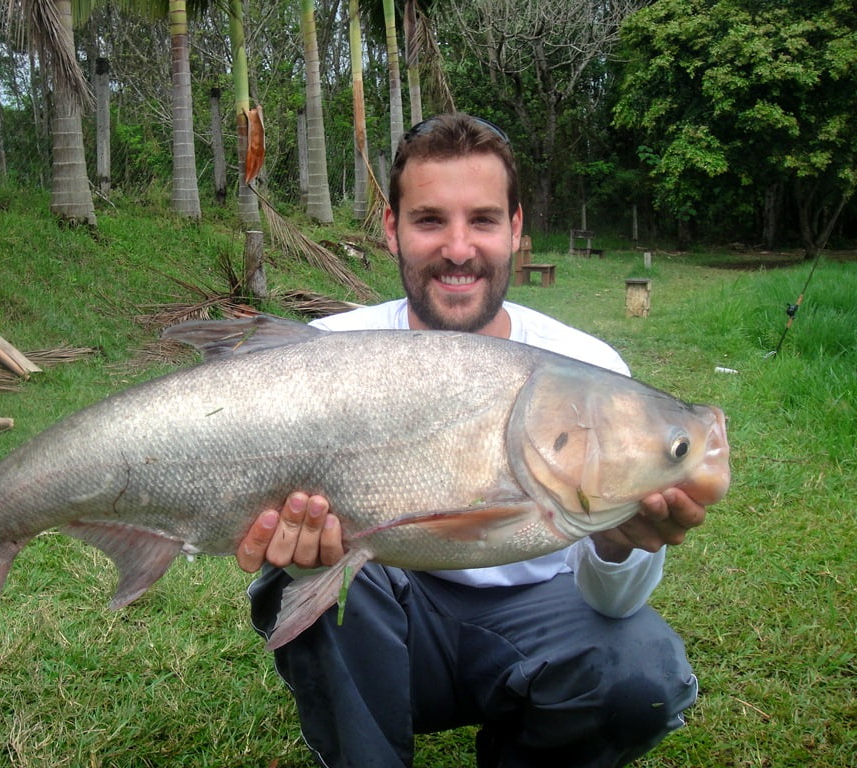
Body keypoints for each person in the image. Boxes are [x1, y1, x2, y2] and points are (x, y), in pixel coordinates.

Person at [235, 113, 706, 768]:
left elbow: (614, 603)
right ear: (392, 229)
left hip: (536, 630)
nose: (458, 249)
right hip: (389, 623)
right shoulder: (329, 353)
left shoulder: (591, 375)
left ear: (515, 229)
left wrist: (619, 543)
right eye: (430, 220)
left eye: (482, 220)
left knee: (643, 677)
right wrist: (302, 560)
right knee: (307, 566)